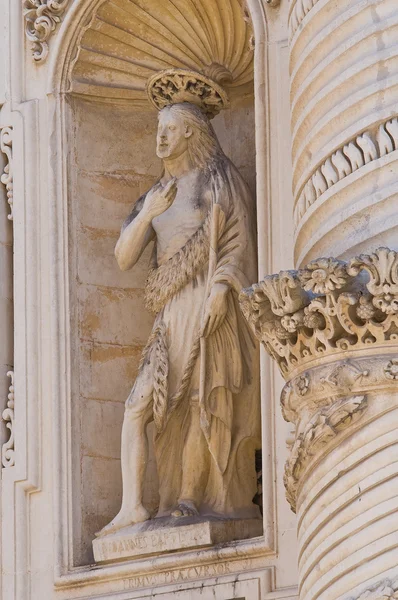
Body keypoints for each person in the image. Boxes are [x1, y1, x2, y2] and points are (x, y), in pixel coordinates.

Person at [97, 101, 260, 537]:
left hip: (208, 303)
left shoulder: (217, 177)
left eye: (170, 128)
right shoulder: (156, 192)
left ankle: (190, 496)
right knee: (138, 406)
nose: (161, 137)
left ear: (191, 133)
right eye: (158, 128)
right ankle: (132, 506)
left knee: (198, 401)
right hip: (169, 314)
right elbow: (124, 256)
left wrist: (224, 288)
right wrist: (148, 213)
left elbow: (239, 237)